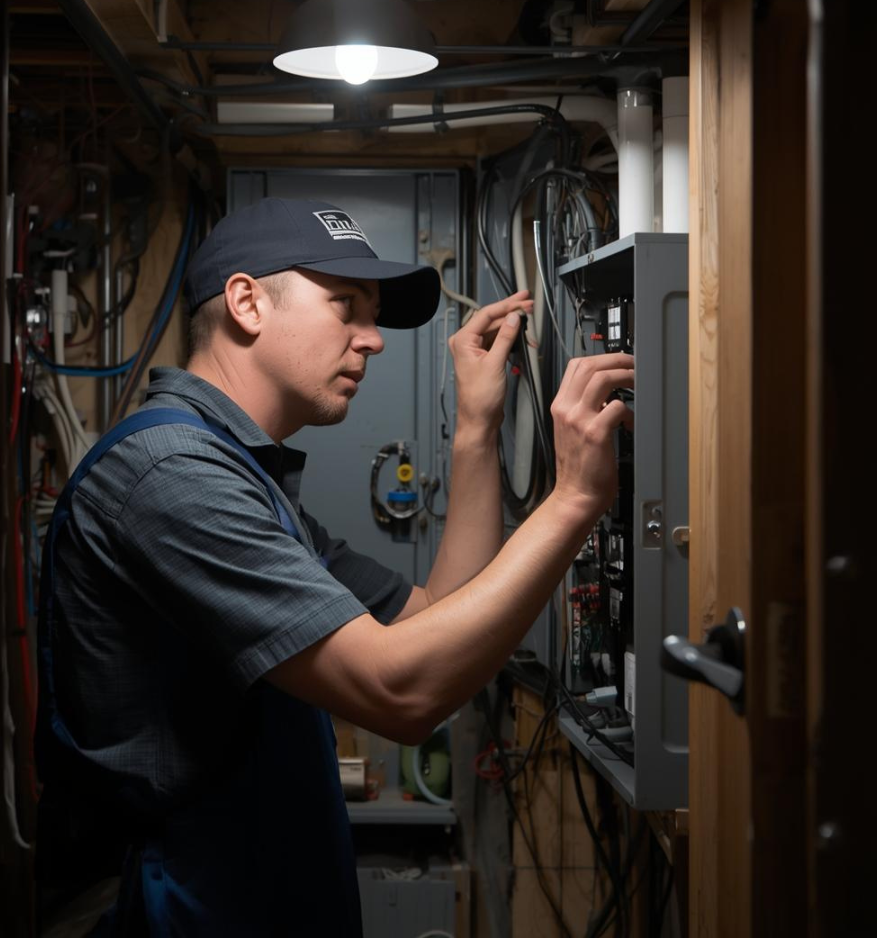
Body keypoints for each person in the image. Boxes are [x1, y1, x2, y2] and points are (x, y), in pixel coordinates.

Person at [36, 197, 634, 936]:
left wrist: (477, 430)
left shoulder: (238, 478)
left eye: (372, 313)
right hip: (175, 912)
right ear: (247, 303)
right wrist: (573, 500)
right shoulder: (170, 477)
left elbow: (437, 615)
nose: (374, 340)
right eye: (346, 305)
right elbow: (401, 690)